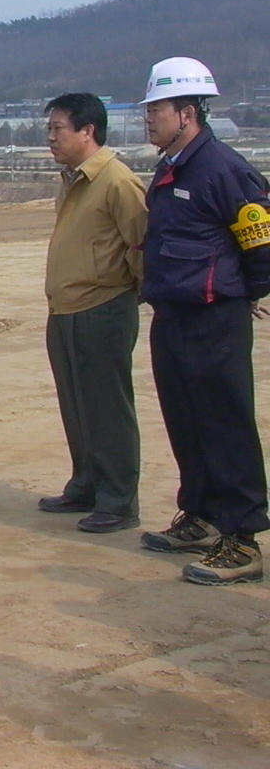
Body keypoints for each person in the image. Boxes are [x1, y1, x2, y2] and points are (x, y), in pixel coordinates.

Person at [136, 57, 270, 586]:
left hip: (215, 320)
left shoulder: (223, 169)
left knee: (224, 424)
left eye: (156, 109)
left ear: (187, 113)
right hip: (173, 314)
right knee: (187, 421)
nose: (149, 118)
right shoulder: (171, 168)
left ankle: (243, 538)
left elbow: (261, 246)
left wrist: (245, 295)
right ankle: (202, 514)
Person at [39, 93, 148, 534]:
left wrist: (124, 295)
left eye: (58, 128)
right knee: (77, 406)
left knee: (107, 408)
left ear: (88, 131)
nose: (50, 137)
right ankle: (86, 483)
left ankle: (119, 500)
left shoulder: (117, 181)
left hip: (101, 309)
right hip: (65, 310)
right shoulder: (74, 179)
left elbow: (141, 248)